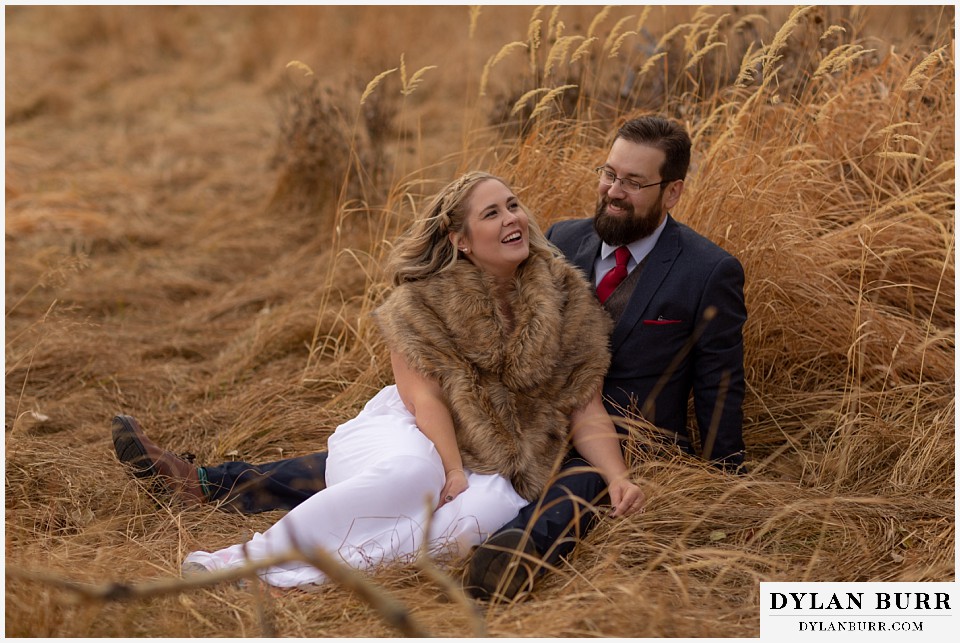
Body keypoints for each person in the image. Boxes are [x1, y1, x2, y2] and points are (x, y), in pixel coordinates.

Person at [114, 114, 747, 599]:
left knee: (561, 496)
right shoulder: (564, 241)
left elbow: (719, 383)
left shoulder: (706, 270)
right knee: (396, 468)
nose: (613, 191)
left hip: (617, 431)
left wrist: (727, 480)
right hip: (510, 419)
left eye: (634, 183)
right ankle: (206, 485)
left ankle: (508, 562)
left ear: (673, 191)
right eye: (609, 173)